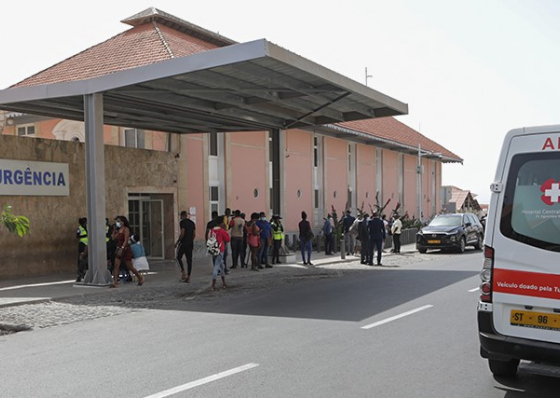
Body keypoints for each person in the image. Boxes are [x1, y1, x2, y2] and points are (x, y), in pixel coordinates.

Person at [110, 215, 145, 288]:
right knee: (116, 266)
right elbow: (113, 238)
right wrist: (114, 231)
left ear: (123, 222)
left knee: (129, 266)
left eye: (119, 221)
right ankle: (115, 282)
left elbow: (126, 240)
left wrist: (122, 248)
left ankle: (140, 277)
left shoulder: (126, 229)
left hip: (125, 249)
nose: (117, 223)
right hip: (119, 248)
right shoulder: (118, 230)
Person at [208, 216, 230, 291]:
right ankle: (213, 285)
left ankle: (224, 282)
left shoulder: (212, 230)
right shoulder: (222, 231)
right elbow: (227, 239)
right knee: (217, 267)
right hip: (220, 250)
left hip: (213, 250)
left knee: (221, 266)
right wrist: (225, 230)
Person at [175, 210, 196, 282]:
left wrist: (178, 242)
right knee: (189, 260)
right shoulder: (192, 223)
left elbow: (182, 233)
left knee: (178, 257)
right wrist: (191, 240)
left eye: (180, 216)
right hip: (190, 244)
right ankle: (189, 277)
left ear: (182, 215)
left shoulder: (182, 223)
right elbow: (194, 234)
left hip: (183, 243)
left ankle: (183, 273)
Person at [76, 217, 88, 282]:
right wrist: (85, 235)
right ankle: (80, 272)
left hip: (88, 244)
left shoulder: (88, 227)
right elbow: (77, 236)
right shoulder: (79, 228)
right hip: (82, 244)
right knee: (81, 258)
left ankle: (85, 270)